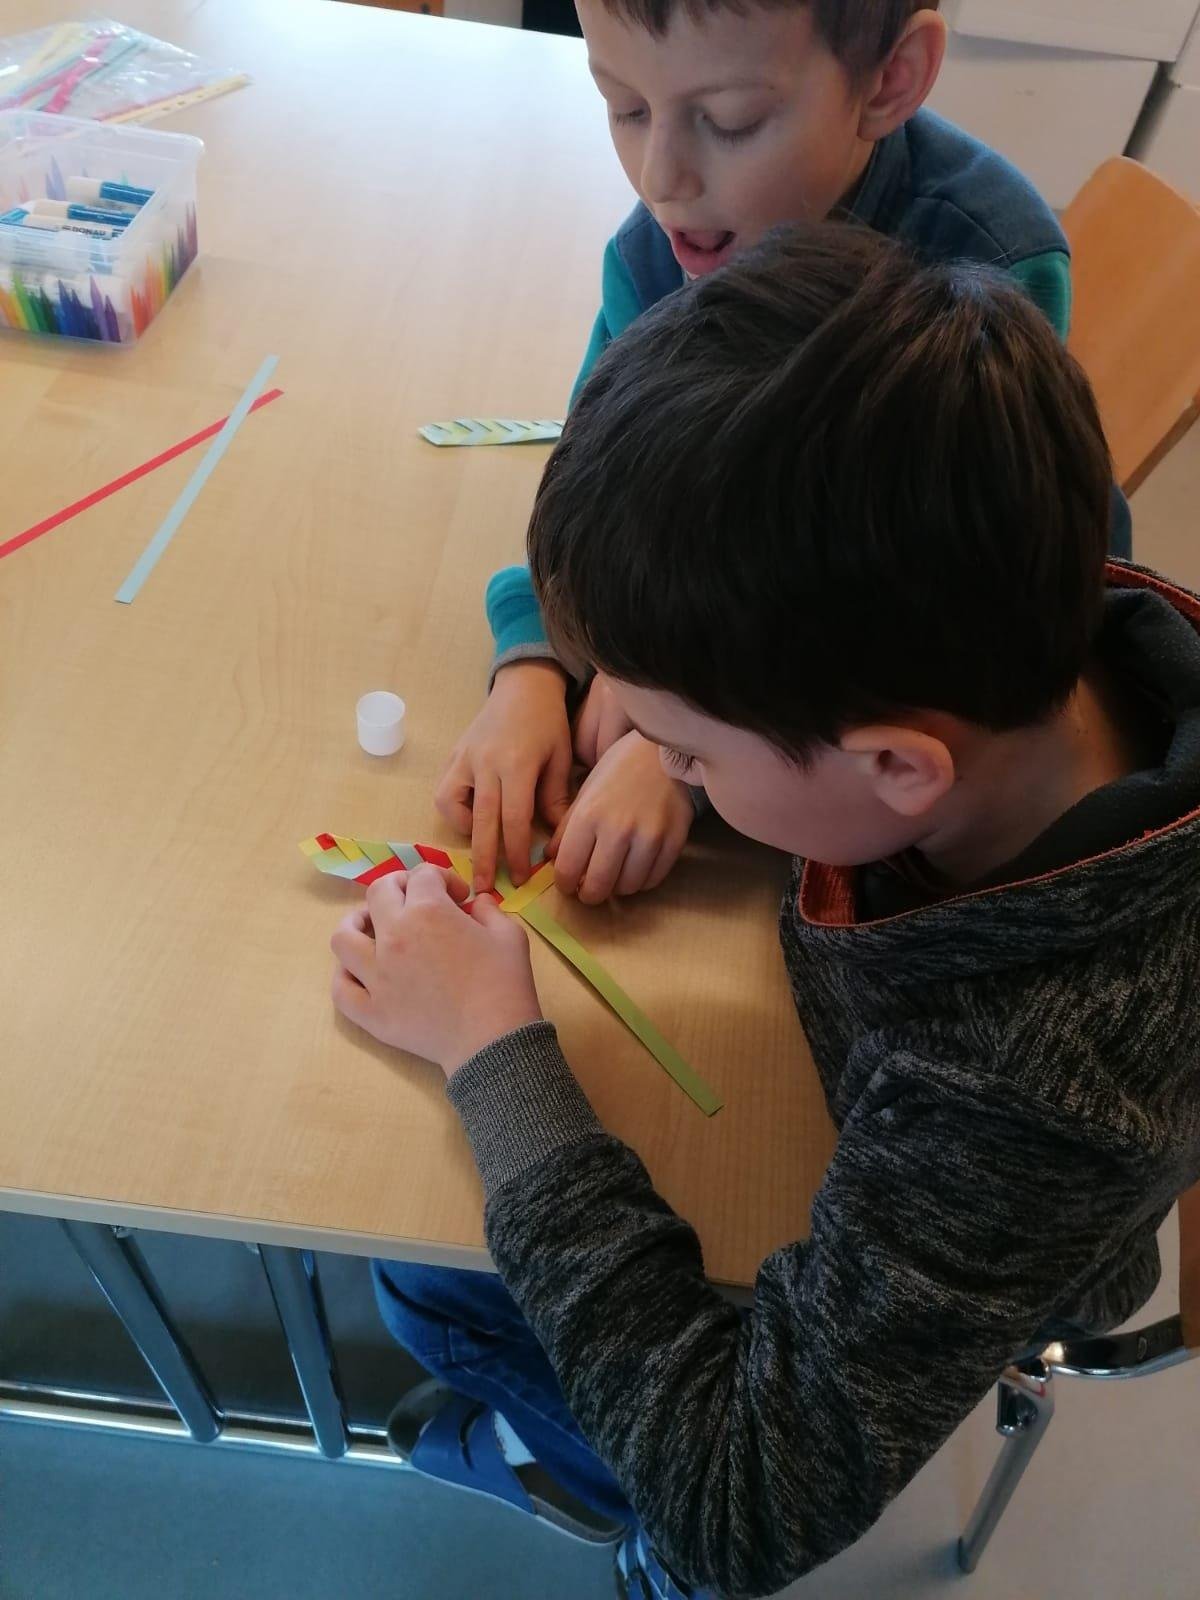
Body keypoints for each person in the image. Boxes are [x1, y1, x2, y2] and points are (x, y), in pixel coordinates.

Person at [334, 224, 1200, 1598]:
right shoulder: (1005, 625)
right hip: (876, 1106)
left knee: (427, 1290)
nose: (658, 762)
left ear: (895, 768)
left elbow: (741, 1510)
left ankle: (581, 1496)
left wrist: (496, 1051)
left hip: (949, 1246)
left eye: (686, 749)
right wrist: (649, 725)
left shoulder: (1038, 1092)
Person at [436, 0, 1128, 911]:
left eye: (730, 121)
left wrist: (673, 752)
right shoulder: (665, 246)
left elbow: (902, 623)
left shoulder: (984, 273)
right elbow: (601, 498)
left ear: (890, 79)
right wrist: (537, 662)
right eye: (625, 107)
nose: (660, 179)